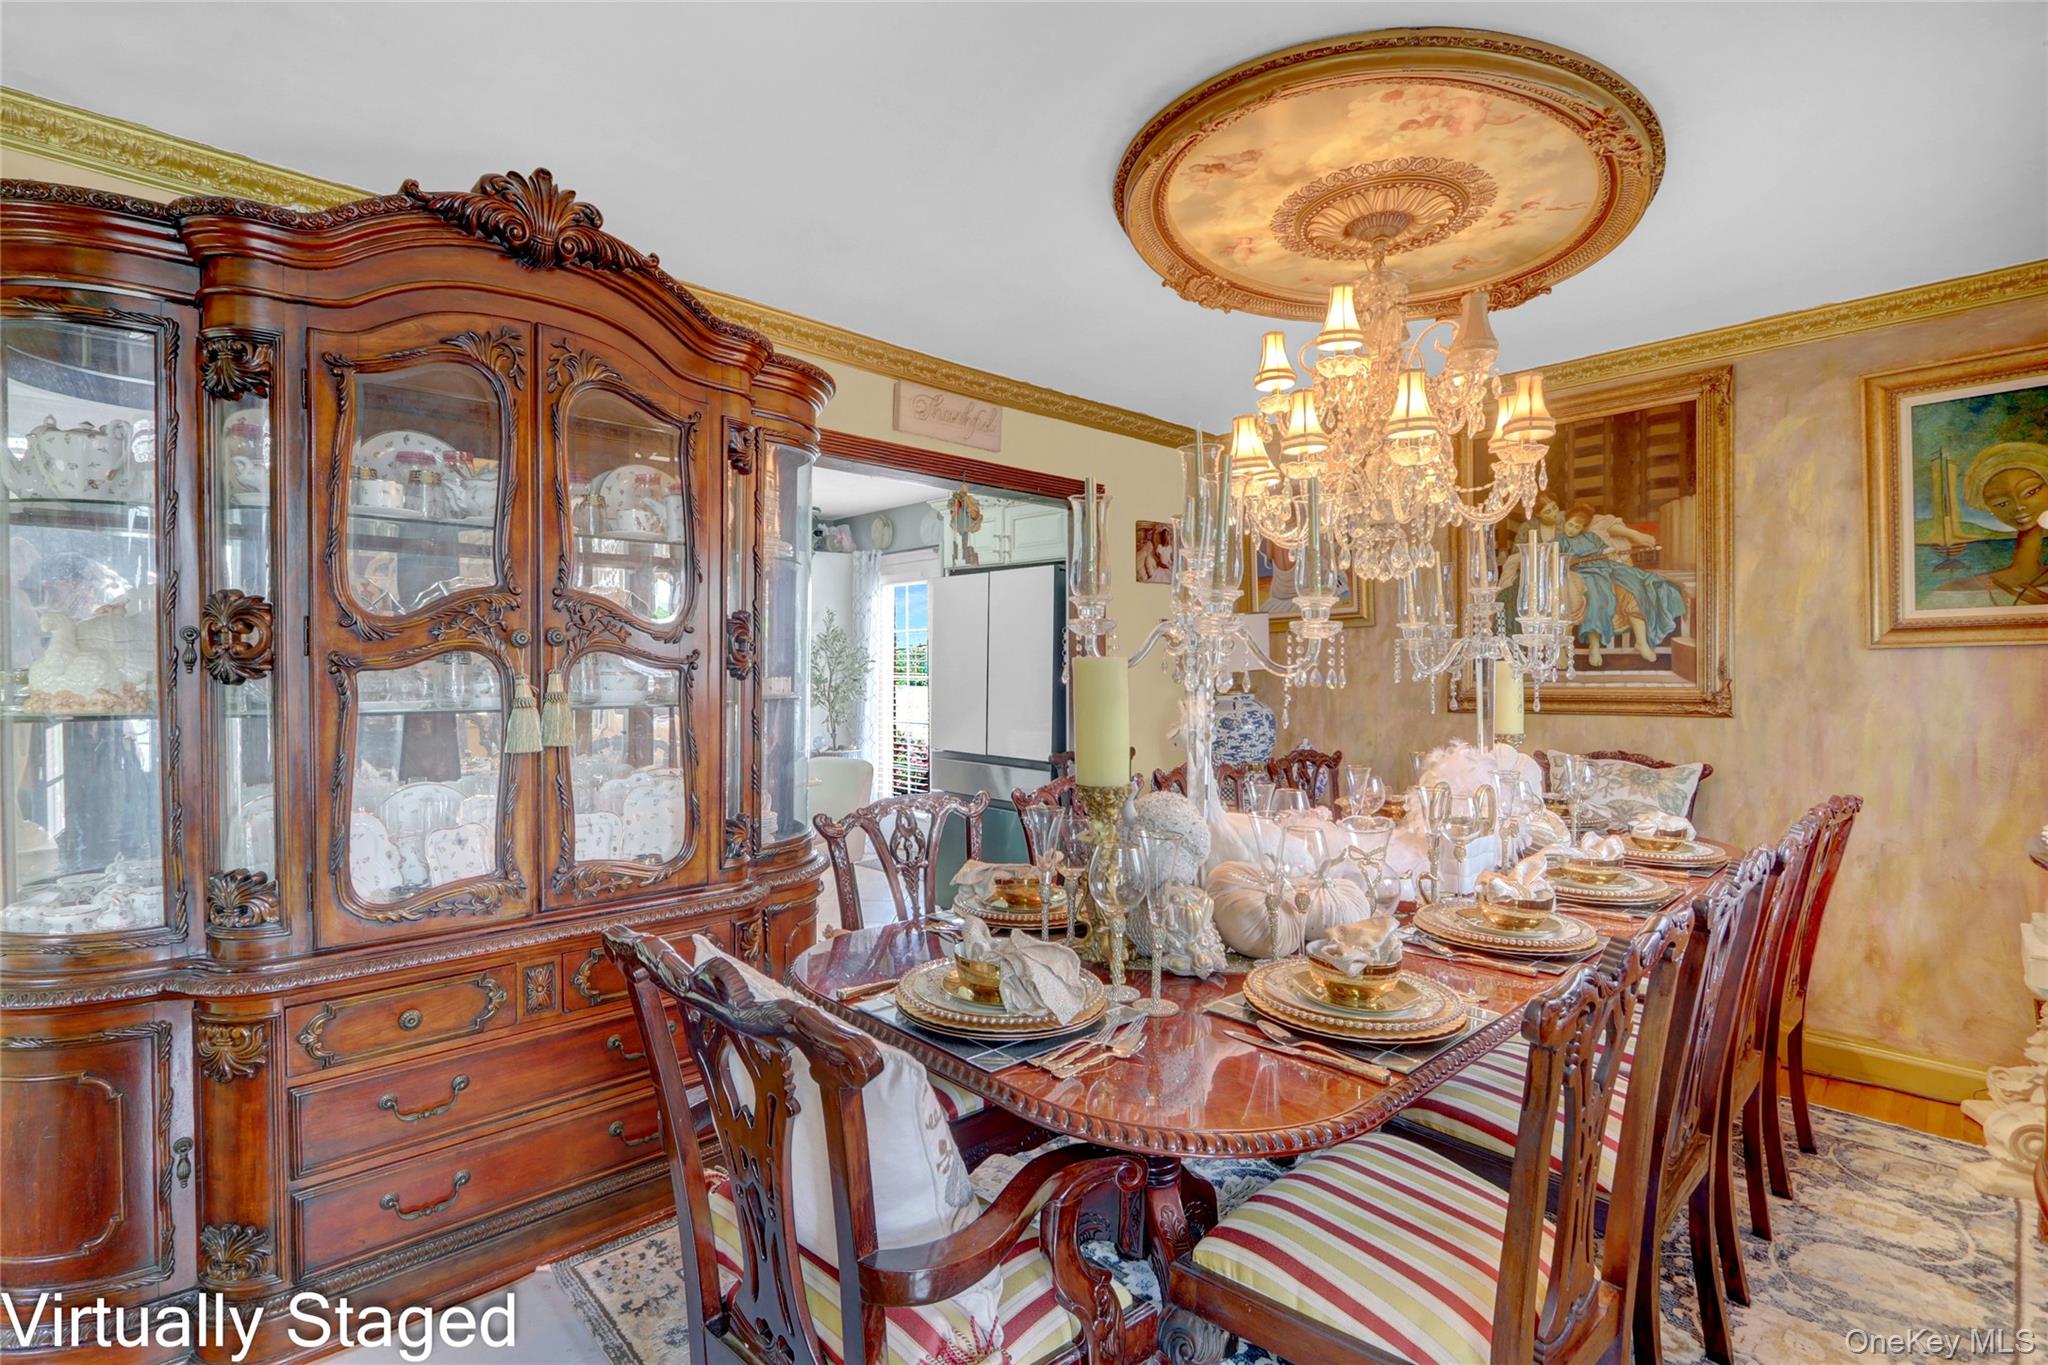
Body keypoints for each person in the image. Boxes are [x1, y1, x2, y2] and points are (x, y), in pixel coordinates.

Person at [1554, 501, 1688, 667]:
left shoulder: (1592, 537)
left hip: (1607, 567)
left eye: (1577, 527)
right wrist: (1567, 562)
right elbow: (1556, 562)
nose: (1572, 529)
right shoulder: (1559, 540)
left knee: (1636, 586)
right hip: (1586, 573)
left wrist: (1611, 554)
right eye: (1571, 524)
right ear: (1566, 521)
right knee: (1597, 595)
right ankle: (1594, 646)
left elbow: (1605, 551)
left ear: (1583, 527)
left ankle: (1641, 642)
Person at [1930, 442, 2048, 607]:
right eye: (2001, 503)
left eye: (2030, 492)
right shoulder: (1953, 591)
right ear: (1991, 509)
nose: (2018, 506)